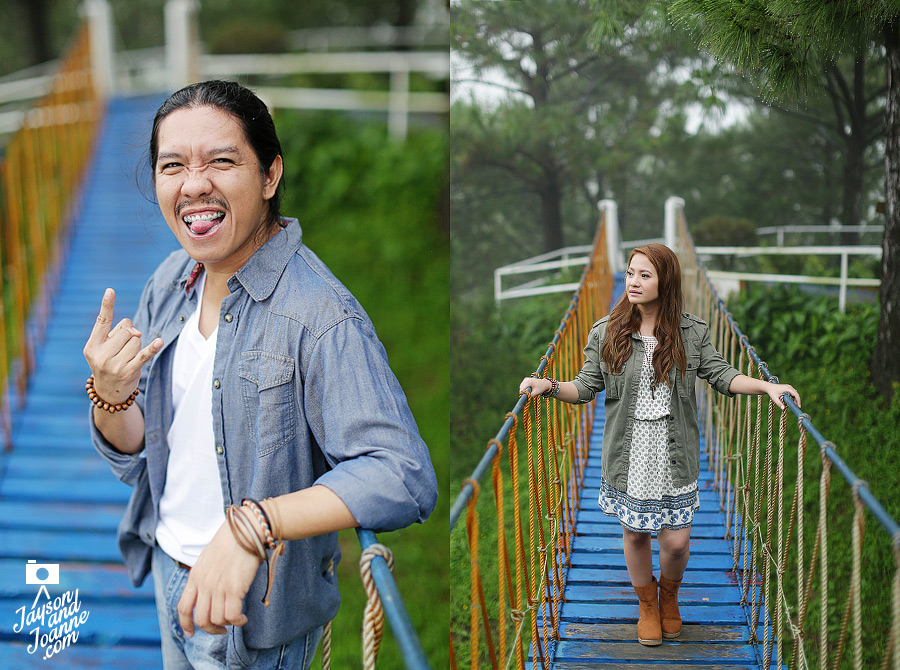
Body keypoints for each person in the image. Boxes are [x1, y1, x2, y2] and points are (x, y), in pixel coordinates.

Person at [83, 80, 437, 669]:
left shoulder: (320, 317)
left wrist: (252, 528)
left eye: (222, 160)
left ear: (270, 176)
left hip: (255, 615)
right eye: (173, 165)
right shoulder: (171, 280)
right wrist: (113, 396)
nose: (194, 183)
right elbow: (139, 448)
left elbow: (403, 475)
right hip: (172, 571)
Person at [518, 244, 799, 646]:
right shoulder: (606, 331)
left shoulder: (692, 332)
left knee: (676, 542)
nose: (633, 281)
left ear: (665, 281)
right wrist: (546, 386)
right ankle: (648, 604)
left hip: (674, 451)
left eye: (644, 275)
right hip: (628, 453)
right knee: (634, 535)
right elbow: (584, 387)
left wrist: (767, 387)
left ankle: (669, 593)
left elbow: (723, 375)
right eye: (631, 272)